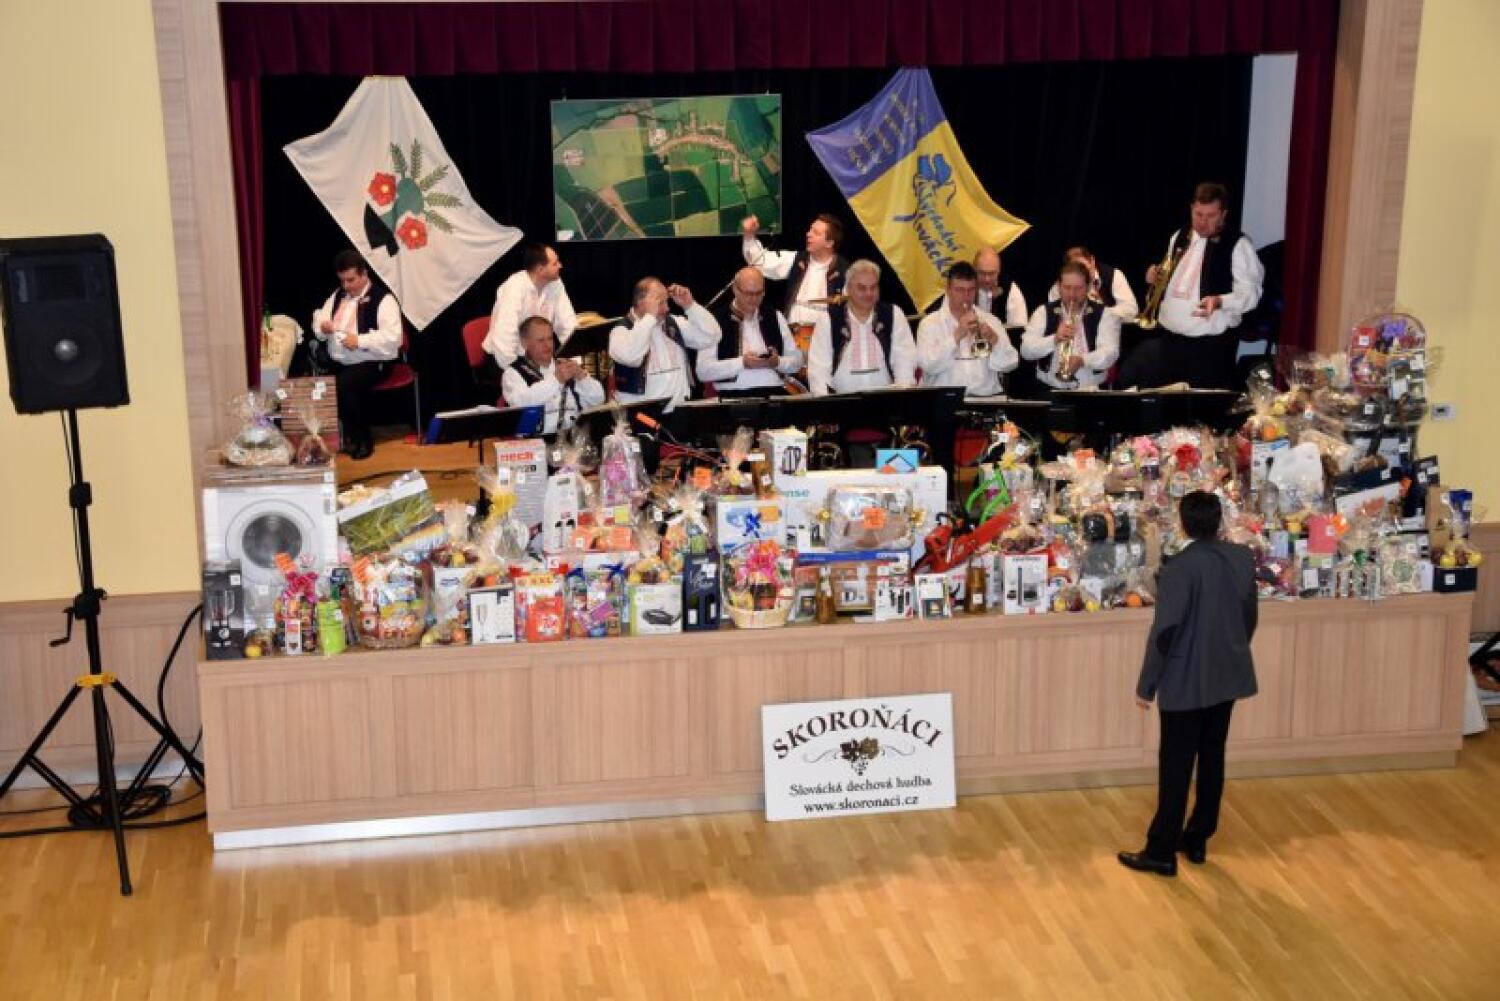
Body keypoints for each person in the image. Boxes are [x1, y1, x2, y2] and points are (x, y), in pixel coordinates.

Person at [1119, 491, 1259, 878]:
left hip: (1185, 679)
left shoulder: (1179, 569)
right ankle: (1197, 838)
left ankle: (1161, 850)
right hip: (1227, 673)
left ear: (1182, 524)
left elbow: (1165, 632)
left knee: (1176, 765)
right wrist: (1233, 648)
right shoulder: (1241, 558)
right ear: (1219, 520)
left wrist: (1147, 684)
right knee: (1213, 757)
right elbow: (1249, 616)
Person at [1120, 182, 1265, 390]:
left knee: (1203, 407)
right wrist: (1156, 275)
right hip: (1170, 341)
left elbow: (1251, 293)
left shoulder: (1238, 244)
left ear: (1223, 214)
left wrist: (1220, 301)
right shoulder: (1180, 236)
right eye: (1198, 214)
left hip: (1208, 349)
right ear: (1191, 209)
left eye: (1211, 215)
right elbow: (1170, 274)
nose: (1203, 222)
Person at [309, 249, 402, 460]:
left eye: (351, 280)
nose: (346, 286)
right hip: (341, 361)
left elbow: (393, 338)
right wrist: (322, 327)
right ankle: (346, 437)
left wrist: (360, 341)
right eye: (342, 281)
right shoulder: (337, 296)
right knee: (322, 386)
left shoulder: (383, 299)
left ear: (364, 274)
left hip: (373, 361)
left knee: (345, 386)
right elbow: (319, 318)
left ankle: (364, 440)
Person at [806, 259, 918, 396]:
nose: (869, 293)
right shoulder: (828, 319)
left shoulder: (893, 314)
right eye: (862, 288)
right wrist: (826, 403)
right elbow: (818, 369)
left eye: (873, 287)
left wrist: (903, 396)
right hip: (842, 400)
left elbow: (905, 359)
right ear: (848, 289)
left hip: (886, 399)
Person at [609, 277, 720, 409]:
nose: (667, 308)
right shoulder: (620, 331)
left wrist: (690, 306)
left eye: (666, 301)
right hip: (642, 415)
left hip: (679, 413)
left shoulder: (674, 323)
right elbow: (632, 357)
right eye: (660, 302)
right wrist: (649, 318)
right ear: (640, 302)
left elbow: (711, 337)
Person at [695, 266, 803, 397]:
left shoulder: (775, 316)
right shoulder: (714, 320)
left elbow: (797, 362)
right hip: (733, 396)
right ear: (735, 289)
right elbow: (703, 371)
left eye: (758, 293)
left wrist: (777, 362)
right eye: (748, 293)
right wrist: (742, 363)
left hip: (774, 394)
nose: (753, 299)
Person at [917, 261, 1018, 398]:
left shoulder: (991, 321)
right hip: (947, 400)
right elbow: (928, 365)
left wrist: (995, 341)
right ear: (948, 290)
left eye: (971, 290)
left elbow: (1011, 364)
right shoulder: (929, 324)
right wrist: (957, 335)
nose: (966, 296)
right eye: (959, 290)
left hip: (987, 399)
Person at [1020, 261, 1121, 396]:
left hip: (1091, 392)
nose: (1072, 294)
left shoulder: (1105, 314)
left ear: (1088, 287)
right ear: (1058, 286)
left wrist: (1083, 360)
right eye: (1067, 287)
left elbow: (1110, 353)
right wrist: (1054, 339)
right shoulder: (1043, 312)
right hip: (1049, 390)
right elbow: (1026, 351)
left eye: (1078, 288)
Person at [741, 212, 849, 329]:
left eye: (816, 233)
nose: (808, 234)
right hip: (793, 335)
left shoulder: (844, 271)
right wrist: (749, 236)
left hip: (825, 338)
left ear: (829, 243)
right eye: (810, 230)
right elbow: (760, 262)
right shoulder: (797, 260)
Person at [482, 242, 578, 373]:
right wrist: (520, 373)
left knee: (570, 378)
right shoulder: (515, 287)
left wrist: (576, 361)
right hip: (504, 359)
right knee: (549, 383)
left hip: (535, 358)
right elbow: (504, 339)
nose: (560, 266)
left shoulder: (555, 283)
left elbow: (567, 324)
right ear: (540, 269)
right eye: (555, 263)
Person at [500, 316, 604, 433]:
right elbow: (521, 405)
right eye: (540, 340)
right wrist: (556, 381)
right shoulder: (513, 373)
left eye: (550, 339)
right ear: (525, 343)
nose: (547, 345)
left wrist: (582, 377)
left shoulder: (565, 364)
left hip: (576, 435)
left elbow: (598, 400)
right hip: (537, 439)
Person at [1047, 245, 1139, 325]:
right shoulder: (1059, 288)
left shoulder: (1114, 275)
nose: (1083, 275)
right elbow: (1056, 318)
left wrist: (1100, 311)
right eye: (1077, 270)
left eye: (1084, 267)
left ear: (1092, 261)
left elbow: (1131, 312)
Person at [972, 247, 1028, 328]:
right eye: (982, 273)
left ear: (999, 271)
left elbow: (1019, 328)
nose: (987, 279)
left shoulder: (1010, 290)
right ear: (974, 270)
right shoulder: (963, 288)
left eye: (991, 273)